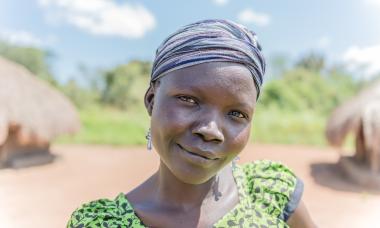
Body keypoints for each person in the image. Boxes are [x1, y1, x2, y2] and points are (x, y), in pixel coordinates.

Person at [67, 19, 316, 228]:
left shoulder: (270, 193)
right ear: (151, 100)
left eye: (236, 114)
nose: (211, 131)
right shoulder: (100, 223)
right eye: (188, 100)